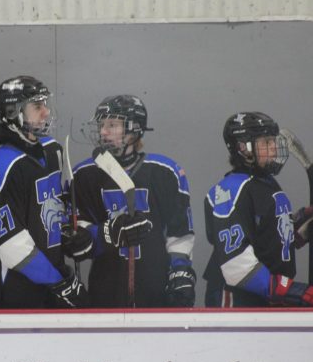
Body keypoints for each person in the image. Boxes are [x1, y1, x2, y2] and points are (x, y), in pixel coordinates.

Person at [73, 95, 196, 308]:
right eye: (102, 125)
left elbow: (179, 233)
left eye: (112, 125)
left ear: (134, 129)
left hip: (155, 287)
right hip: (105, 288)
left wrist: (180, 270)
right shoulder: (85, 174)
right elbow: (78, 238)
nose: (103, 132)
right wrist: (103, 235)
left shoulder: (165, 172)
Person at [0, 75, 89, 309]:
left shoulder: (53, 151)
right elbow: (12, 246)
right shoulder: (2, 166)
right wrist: (60, 284)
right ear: (13, 112)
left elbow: (56, 207)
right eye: (37, 106)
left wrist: (73, 235)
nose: (46, 113)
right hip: (16, 289)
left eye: (45, 105)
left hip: (53, 280)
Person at [203, 112, 313, 307]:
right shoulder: (231, 190)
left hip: (265, 297)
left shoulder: (266, 182)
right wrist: (291, 290)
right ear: (243, 148)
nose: (273, 150)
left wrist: (298, 228)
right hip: (237, 299)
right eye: (266, 143)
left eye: (273, 142)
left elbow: (265, 237)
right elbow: (235, 265)